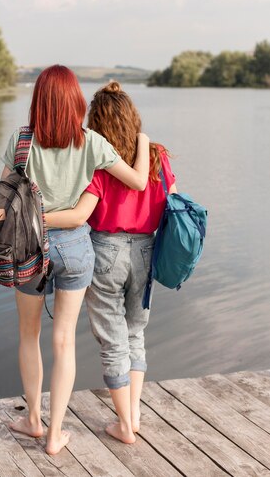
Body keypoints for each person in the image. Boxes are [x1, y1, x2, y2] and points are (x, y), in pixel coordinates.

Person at [0, 66, 150, 455]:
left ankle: (33, 419)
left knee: (28, 335)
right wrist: (145, 142)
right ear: (75, 101)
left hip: (28, 248)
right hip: (76, 249)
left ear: (38, 100)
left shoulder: (21, 141)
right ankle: (56, 435)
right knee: (64, 341)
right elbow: (137, 181)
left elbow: (1, 201)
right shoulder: (92, 142)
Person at [45, 81, 176, 445]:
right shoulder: (157, 155)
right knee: (135, 334)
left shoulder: (99, 162)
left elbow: (78, 215)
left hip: (105, 252)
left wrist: (30, 217)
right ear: (133, 117)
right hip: (147, 252)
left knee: (113, 341)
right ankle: (132, 416)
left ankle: (124, 424)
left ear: (96, 122)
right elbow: (173, 203)